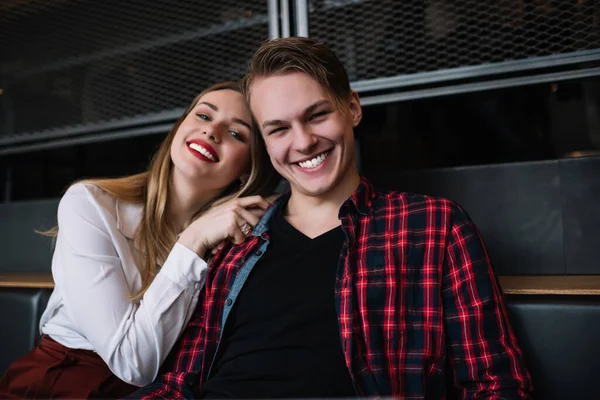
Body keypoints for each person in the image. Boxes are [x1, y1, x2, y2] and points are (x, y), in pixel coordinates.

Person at [132, 38, 533, 399]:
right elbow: (176, 384)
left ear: (352, 108)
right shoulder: (231, 243)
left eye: (317, 115)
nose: (303, 141)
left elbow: (497, 385)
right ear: (265, 142)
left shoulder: (434, 226)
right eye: (278, 129)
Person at [0, 81, 280, 399]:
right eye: (203, 116)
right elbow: (132, 361)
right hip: (63, 380)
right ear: (180, 128)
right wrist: (193, 238)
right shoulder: (91, 204)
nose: (212, 131)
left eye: (236, 134)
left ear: (248, 168)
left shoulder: (235, 238)